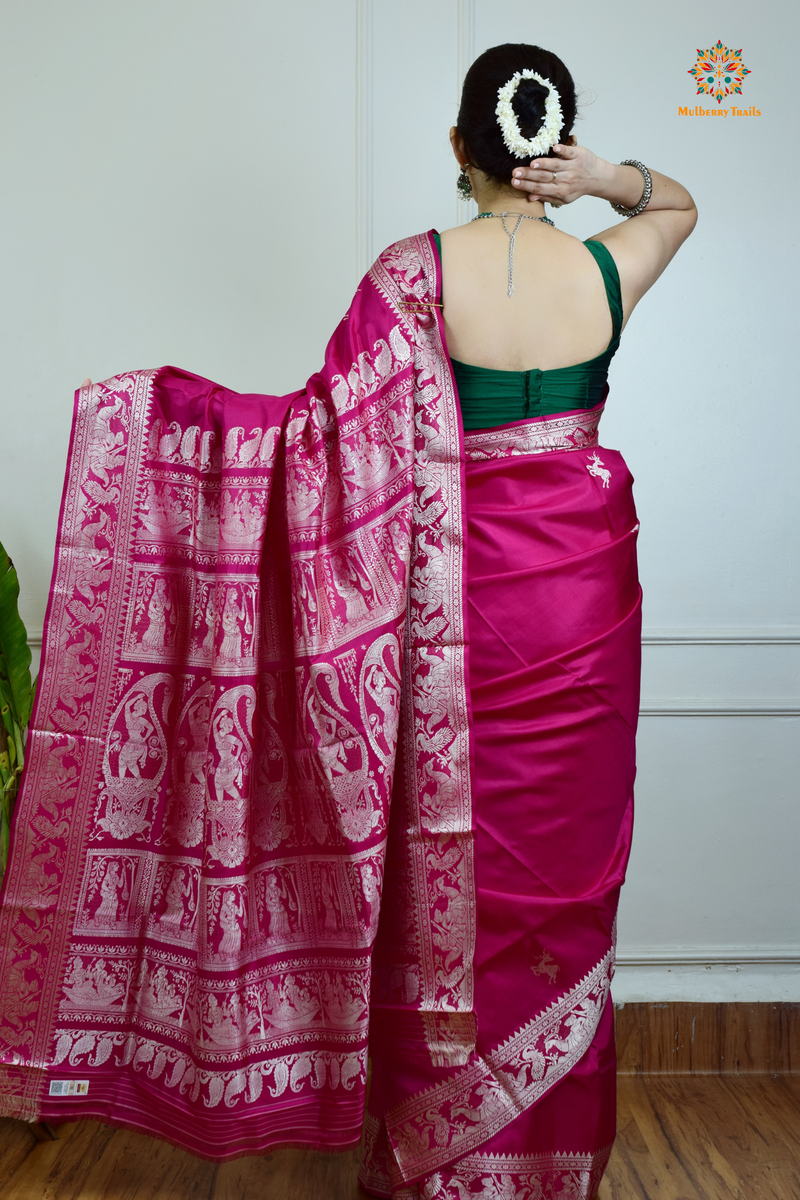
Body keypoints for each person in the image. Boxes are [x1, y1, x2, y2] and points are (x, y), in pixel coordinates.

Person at [0, 42, 694, 1200]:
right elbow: (675, 204)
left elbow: (318, 441)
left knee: (453, 879)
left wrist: (163, 422)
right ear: (548, 148)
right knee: (564, 887)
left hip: (452, 613)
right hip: (580, 593)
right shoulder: (608, 267)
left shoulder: (410, 274)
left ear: (458, 148)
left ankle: (438, 1164)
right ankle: (546, 1168)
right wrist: (604, 181)